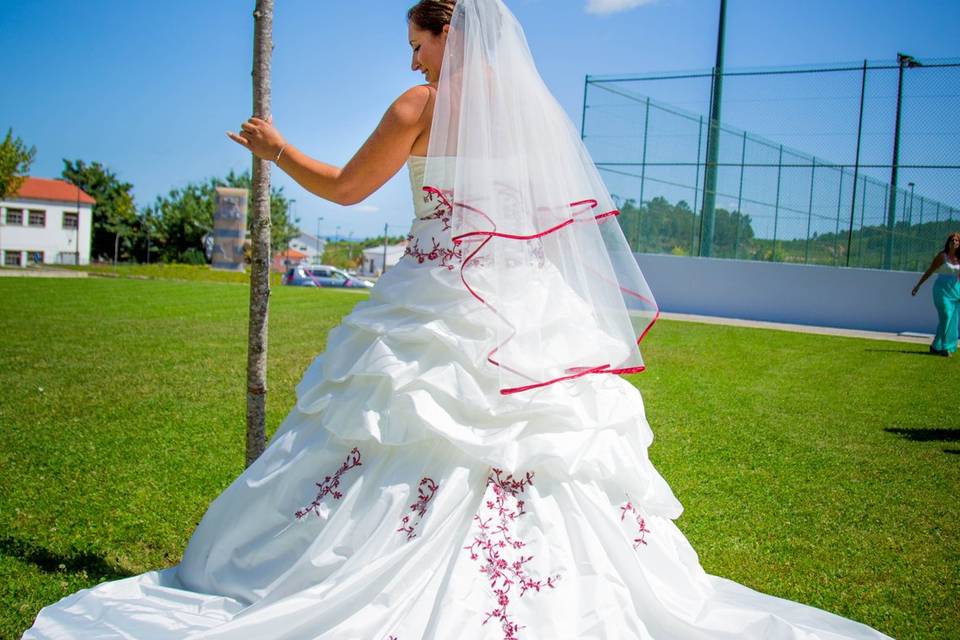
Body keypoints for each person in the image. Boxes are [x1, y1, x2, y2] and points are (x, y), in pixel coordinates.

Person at [25, 1, 893, 638]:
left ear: (452, 34)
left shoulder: (422, 110)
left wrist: (275, 147)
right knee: (541, 443)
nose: (413, 65)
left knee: (391, 426)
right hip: (526, 306)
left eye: (419, 45)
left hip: (440, 296)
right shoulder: (537, 120)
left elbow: (348, 189)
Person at [912, 231, 960, 357]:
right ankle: (945, 347)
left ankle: (935, 346)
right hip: (941, 291)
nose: (954, 242)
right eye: (952, 240)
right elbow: (930, 271)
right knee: (946, 314)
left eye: (956, 240)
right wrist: (918, 285)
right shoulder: (942, 256)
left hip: (955, 291)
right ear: (948, 242)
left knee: (948, 319)